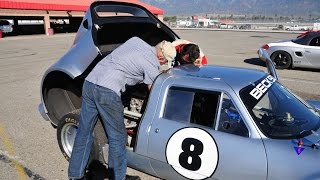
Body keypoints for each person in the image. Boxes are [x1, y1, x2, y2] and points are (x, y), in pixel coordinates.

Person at [68, 37, 176, 180]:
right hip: (108, 90)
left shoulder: (136, 40)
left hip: (90, 83)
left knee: (84, 131)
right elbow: (154, 89)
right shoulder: (152, 62)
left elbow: (126, 61)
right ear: (161, 56)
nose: (162, 64)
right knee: (118, 138)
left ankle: (75, 175)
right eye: (163, 61)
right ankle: (118, 177)